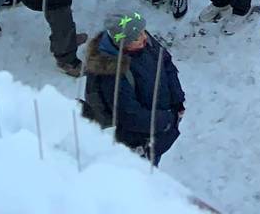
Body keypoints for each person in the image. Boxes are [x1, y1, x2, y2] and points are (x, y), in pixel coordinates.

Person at [79, 11, 184, 163]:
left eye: (143, 31)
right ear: (122, 43)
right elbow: (130, 116)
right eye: (137, 37)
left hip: (160, 125)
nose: (144, 37)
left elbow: (165, 62)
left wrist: (177, 100)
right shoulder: (112, 74)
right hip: (141, 139)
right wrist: (167, 120)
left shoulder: (142, 41)